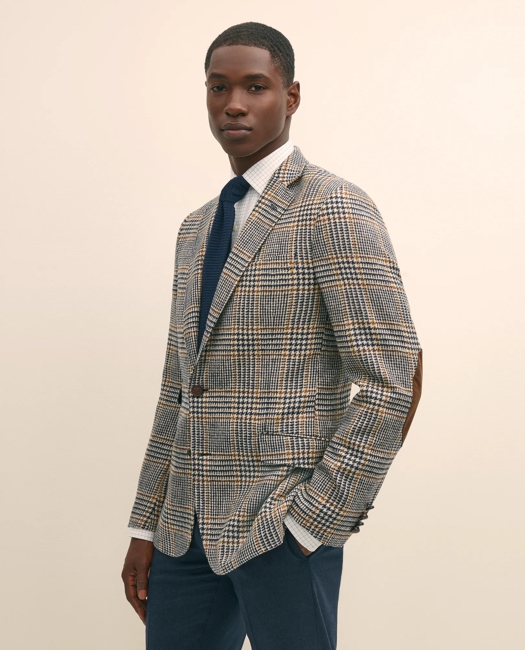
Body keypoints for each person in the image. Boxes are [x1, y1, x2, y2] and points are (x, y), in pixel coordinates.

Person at [121, 21, 422, 650]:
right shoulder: (196, 227)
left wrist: (315, 522)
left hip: (282, 527)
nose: (234, 103)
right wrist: (146, 524)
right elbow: (179, 384)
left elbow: (393, 378)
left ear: (291, 97)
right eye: (219, 87)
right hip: (184, 531)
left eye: (255, 86)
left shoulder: (333, 207)